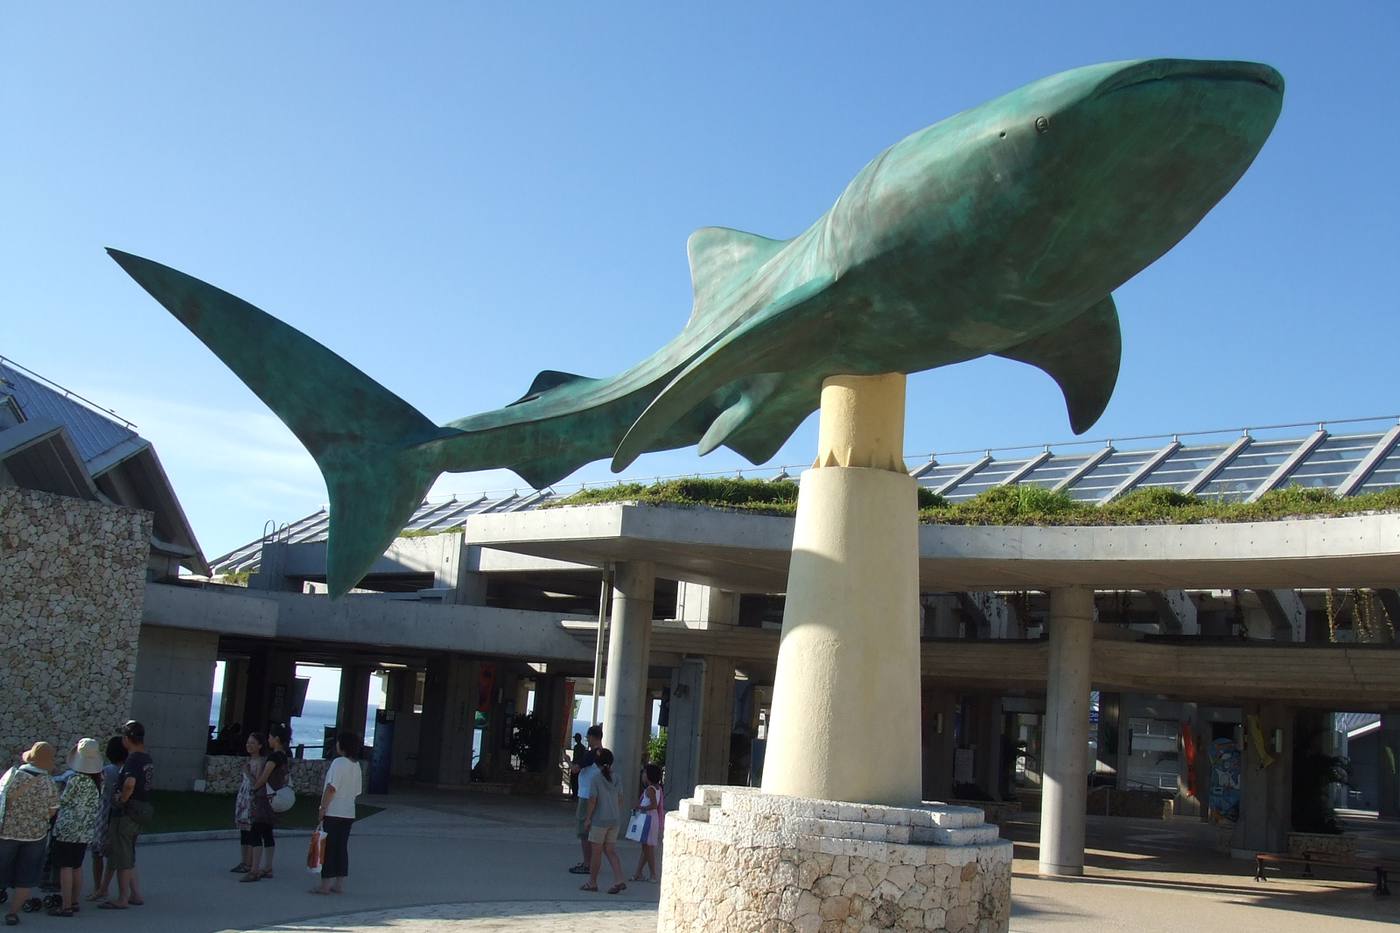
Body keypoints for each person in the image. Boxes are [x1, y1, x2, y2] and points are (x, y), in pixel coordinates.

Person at [101, 720, 153, 910]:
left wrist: (121, 799)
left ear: (128, 738)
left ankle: (122, 897)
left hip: (126, 813)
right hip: (140, 811)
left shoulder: (133, 760)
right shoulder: (147, 758)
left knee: (122, 857)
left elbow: (129, 783)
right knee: (129, 854)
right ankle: (135, 894)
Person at [48, 739, 102, 917]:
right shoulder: (98, 781)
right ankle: (74, 901)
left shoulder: (75, 780)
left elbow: (63, 801)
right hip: (84, 830)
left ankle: (66, 906)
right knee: (77, 866)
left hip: (67, 828)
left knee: (65, 867)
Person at [310, 731, 363, 895]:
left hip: (334, 811)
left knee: (329, 848)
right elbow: (357, 791)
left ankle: (325, 884)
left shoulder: (338, 763)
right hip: (348, 812)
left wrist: (322, 807)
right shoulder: (356, 765)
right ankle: (339, 883)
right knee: (341, 848)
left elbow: (331, 788)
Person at [242, 725, 290, 882]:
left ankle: (254, 869)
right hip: (275, 798)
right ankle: (268, 867)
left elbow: (264, 777)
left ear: (276, 739)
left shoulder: (273, 757)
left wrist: (253, 788)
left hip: (264, 799)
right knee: (268, 833)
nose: (268, 739)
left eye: (270, 737)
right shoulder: (284, 756)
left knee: (256, 832)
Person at [580, 747, 626, 895]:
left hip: (600, 820)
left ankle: (592, 882)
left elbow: (592, 800)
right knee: (611, 850)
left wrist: (588, 818)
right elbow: (620, 799)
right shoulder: (617, 778)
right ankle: (619, 879)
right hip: (615, 819)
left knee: (596, 852)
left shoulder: (596, 779)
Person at [86, 737, 125, 903]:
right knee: (112, 854)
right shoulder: (126, 771)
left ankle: (98, 887)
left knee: (97, 853)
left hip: (102, 813)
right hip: (119, 814)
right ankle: (105, 886)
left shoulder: (106, 771)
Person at [230, 733, 267, 876]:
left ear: (259, 745)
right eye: (248, 743)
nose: (249, 746)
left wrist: (247, 772)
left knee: (251, 831)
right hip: (243, 798)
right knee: (243, 831)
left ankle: (250, 862)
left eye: (252, 743)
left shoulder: (259, 763)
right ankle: (244, 860)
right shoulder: (249, 761)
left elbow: (257, 782)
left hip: (251, 799)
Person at [568, 724, 602, 875]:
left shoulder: (591, 754)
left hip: (586, 795)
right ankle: (591, 863)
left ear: (593, 737)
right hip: (597, 795)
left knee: (584, 831)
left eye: (588, 737)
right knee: (594, 832)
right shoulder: (605, 754)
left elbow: (575, 769)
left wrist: (566, 760)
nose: (587, 739)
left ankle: (587, 864)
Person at [631, 763, 665, 883]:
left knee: (648, 848)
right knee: (646, 848)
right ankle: (638, 873)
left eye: (645, 773)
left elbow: (653, 805)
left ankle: (653, 874)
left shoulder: (650, 790)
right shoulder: (658, 788)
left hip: (648, 818)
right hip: (653, 818)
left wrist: (640, 807)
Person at [569, 734, 586, 799]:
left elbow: (577, 757)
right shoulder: (582, 747)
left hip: (576, 766)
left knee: (574, 781)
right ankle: (575, 795)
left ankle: (575, 795)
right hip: (579, 766)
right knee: (576, 782)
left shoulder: (577, 747)